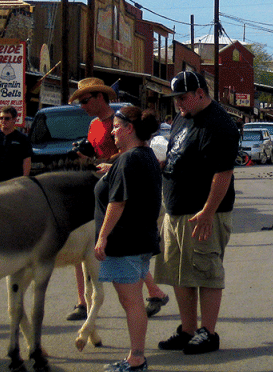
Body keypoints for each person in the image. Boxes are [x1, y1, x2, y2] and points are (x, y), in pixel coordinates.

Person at [67, 77, 170, 322]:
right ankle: (83, 299)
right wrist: (84, 157)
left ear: (100, 98)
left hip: (123, 189)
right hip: (105, 186)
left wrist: (110, 166)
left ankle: (148, 299)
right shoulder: (93, 126)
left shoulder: (123, 120)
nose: (83, 105)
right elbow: (97, 154)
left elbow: (130, 154)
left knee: (124, 251)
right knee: (83, 244)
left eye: (85, 100)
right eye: (80, 102)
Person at [155, 71, 239, 356]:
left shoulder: (219, 124)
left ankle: (208, 333)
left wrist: (207, 212)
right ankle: (188, 329)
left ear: (200, 93)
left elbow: (223, 172)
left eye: (183, 97)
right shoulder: (183, 117)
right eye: (176, 98)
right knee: (180, 273)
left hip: (204, 214)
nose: (178, 103)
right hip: (176, 209)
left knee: (205, 272)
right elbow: (178, 154)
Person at [94, 106, 163, 372]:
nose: (112, 131)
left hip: (126, 242)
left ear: (129, 129)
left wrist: (102, 238)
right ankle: (136, 357)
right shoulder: (144, 155)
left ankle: (136, 360)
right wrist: (111, 169)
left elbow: (118, 202)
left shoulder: (128, 160)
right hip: (142, 239)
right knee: (132, 300)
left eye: (116, 126)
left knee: (131, 302)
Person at [0, 107, 32, 183]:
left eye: (7, 118)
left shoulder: (22, 139)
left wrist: (25, 179)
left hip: (14, 182)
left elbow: (27, 161)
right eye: (1, 118)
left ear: (14, 120)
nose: (3, 121)